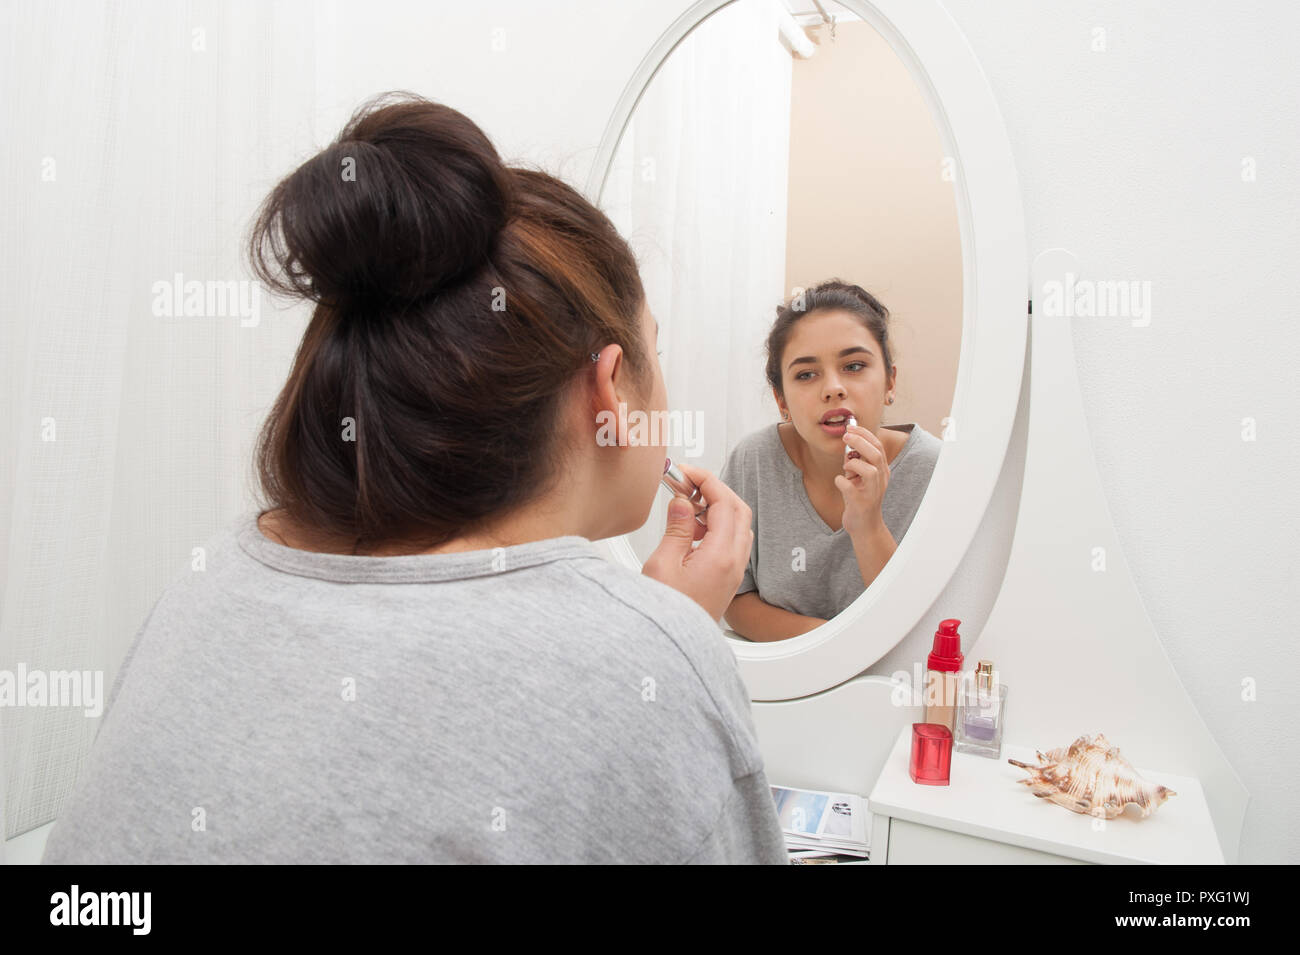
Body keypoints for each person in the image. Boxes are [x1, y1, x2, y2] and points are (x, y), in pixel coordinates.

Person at [40, 92, 787, 864]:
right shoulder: (655, 662)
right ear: (610, 391)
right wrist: (660, 647)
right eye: (654, 353)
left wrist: (638, 636)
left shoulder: (202, 586)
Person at [720, 280, 943, 643]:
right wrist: (829, 646)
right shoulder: (754, 461)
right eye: (806, 375)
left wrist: (868, 525)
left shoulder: (935, 472)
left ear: (889, 382)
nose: (833, 388)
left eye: (854, 366)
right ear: (781, 401)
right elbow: (735, 597)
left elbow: (921, 625)